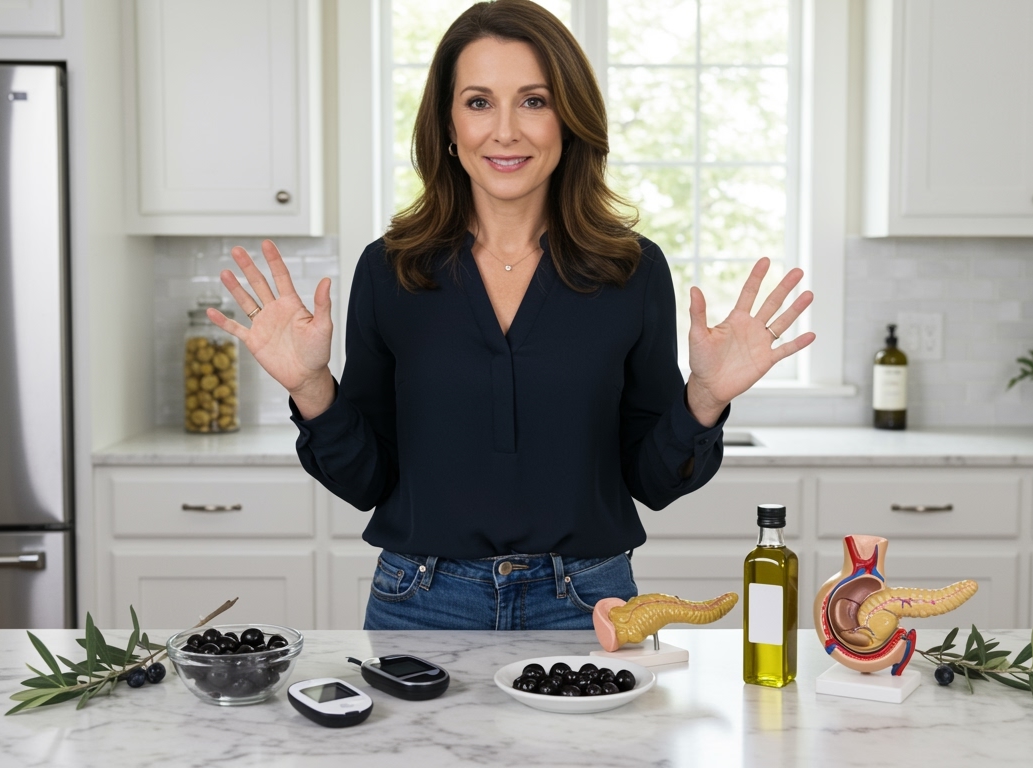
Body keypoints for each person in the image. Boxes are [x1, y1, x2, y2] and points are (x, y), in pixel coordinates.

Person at [209, 0, 814, 630]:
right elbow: (368, 482)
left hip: (589, 602)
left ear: (569, 119)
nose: (505, 131)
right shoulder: (391, 269)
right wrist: (312, 389)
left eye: (534, 101)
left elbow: (652, 481)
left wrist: (704, 401)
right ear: (447, 124)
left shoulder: (630, 270)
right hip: (421, 602)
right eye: (478, 102)